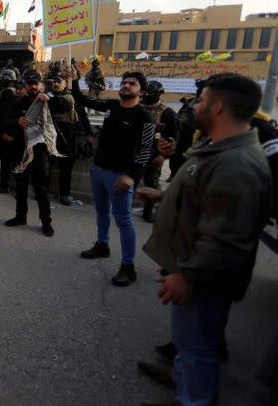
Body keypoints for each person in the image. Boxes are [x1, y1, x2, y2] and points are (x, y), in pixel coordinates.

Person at [135, 73, 271, 406]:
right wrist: (164, 196)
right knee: (188, 342)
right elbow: (204, 198)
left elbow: (226, 237)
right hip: (191, 266)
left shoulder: (235, 164)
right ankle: (184, 388)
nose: (196, 105)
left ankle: (194, 398)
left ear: (219, 107)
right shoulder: (217, 147)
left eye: (202, 100)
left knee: (197, 348)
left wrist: (187, 275)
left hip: (203, 278)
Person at [68, 68, 154, 287]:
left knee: (123, 220)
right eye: (124, 82)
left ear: (141, 92)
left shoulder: (144, 117)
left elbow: (145, 150)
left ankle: (128, 266)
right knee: (101, 212)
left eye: (132, 84)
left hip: (120, 176)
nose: (126, 86)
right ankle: (102, 245)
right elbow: (80, 99)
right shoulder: (112, 106)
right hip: (98, 170)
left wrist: (131, 176)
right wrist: (75, 80)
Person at [1, 71, 55, 236]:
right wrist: (17, 121)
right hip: (21, 151)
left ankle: (46, 222)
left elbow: (67, 104)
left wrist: (51, 98)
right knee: (21, 187)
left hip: (40, 152)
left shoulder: (49, 100)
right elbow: (5, 120)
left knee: (41, 189)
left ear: (41, 85)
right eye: (30, 83)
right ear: (26, 85)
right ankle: (20, 216)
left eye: (36, 83)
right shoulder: (20, 102)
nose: (33, 86)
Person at [49, 74, 91, 206]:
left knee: (66, 167)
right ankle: (42, 190)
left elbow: (82, 116)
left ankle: (64, 194)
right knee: (46, 164)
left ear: (66, 84)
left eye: (59, 81)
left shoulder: (72, 99)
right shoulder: (47, 97)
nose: (56, 84)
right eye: (54, 81)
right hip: (50, 133)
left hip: (67, 134)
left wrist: (88, 134)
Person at [140, 80, 179, 222]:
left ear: (160, 94)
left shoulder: (168, 113)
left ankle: (148, 212)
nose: (148, 95)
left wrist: (163, 156)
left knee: (152, 183)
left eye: (152, 93)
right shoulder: (138, 108)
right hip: (136, 153)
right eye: (147, 93)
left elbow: (173, 137)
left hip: (155, 155)